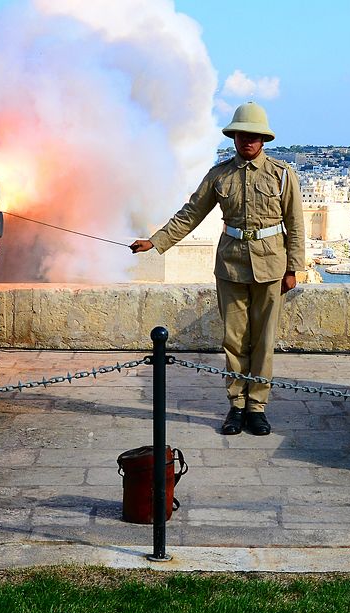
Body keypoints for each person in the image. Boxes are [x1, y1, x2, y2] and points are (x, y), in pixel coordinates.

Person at [131, 102, 305, 436]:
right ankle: (236, 406)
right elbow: (191, 213)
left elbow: (295, 224)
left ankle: (257, 407)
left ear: (263, 139)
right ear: (234, 137)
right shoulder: (219, 175)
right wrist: (155, 241)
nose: (247, 141)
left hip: (271, 266)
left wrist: (293, 269)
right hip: (231, 266)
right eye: (241, 134)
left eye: (253, 135)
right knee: (234, 340)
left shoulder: (282, 175)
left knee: (264, 341)